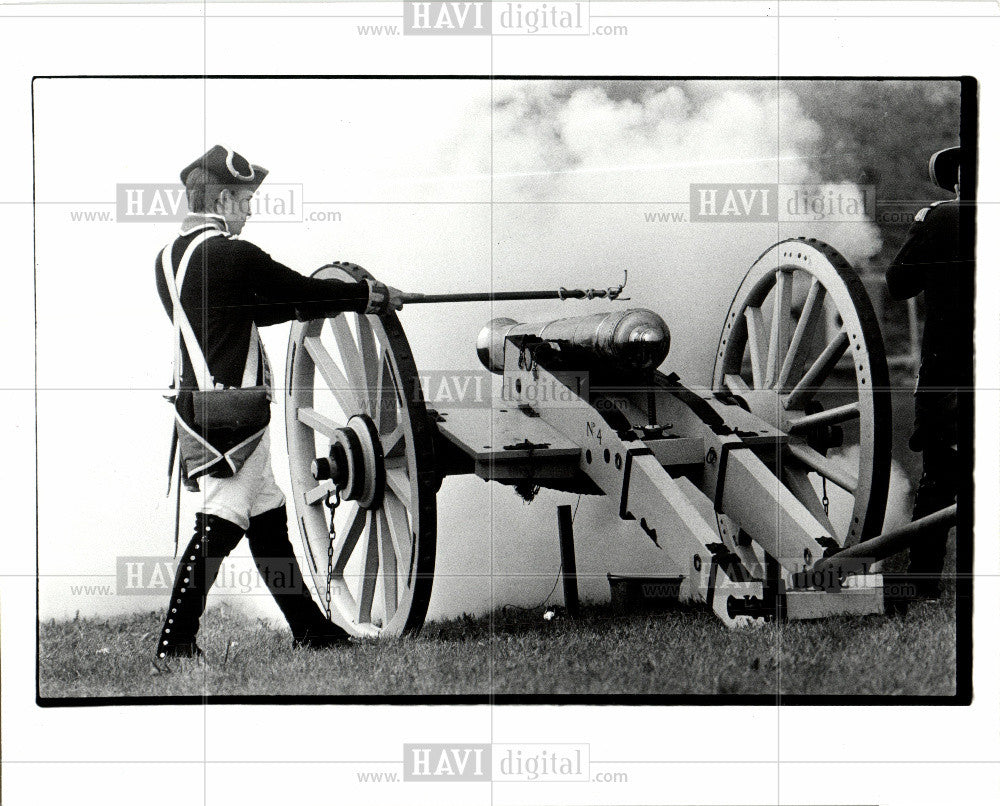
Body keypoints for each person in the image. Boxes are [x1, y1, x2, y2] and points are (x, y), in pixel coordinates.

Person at [151, 145, 402, 674]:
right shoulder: (231, 255)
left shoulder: (170, 259)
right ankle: (175, 643)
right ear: (222, 197)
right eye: (244, 200)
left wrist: (326, 299)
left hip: (202, 409)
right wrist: (369, 295)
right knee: (221, 521)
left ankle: (310, 631)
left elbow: (247, 312)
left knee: (267, 521)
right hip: (234, 418)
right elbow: (304, 293)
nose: (248, 212)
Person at [885, 146, 972, 601]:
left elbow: (899, 283)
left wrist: (924, 226)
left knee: (938, 481)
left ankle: (923, 586)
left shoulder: (941, 219)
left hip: (950, 372)